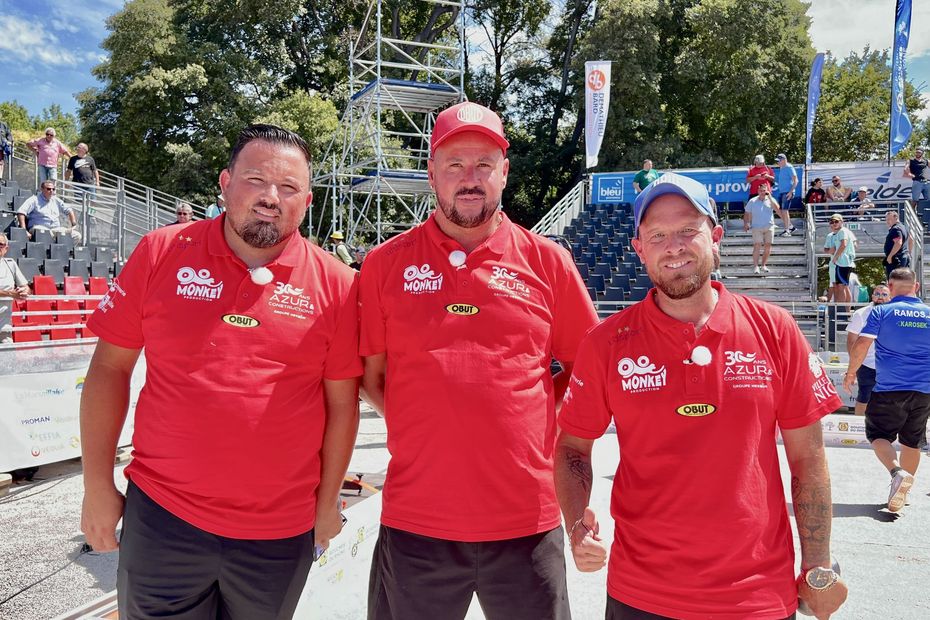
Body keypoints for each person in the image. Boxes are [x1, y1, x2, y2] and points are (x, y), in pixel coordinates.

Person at [79, 124, 362, 618]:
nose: (271, 198)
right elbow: (108, 369)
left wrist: (327, 501)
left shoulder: (338, 285)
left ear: (308, 201)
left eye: (289, 187)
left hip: (278, 532)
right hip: (164, 518)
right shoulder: (161, 252)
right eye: (255, 180)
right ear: (225, 182)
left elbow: (342, 404)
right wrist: (97, 485)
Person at [554, 171, 848, 620]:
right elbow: (573, 447)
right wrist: (577, 525)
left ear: (714, 236)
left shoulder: (776, 331)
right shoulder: (607, 343)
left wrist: (818, 565)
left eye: (687, 230)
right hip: (641, 594)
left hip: (756, 596)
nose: (673, 246)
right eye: (657, 235)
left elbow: (808, 460)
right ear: (639, 249)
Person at [358, 101, 598, 620]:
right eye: (455, 166)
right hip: (417, 518)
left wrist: (538, 411)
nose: (470, 179)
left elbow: (587, 365)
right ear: (432, 174)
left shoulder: (547, 261)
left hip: (525, 521)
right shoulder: (384, 264)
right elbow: (370, 374)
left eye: (484, 165)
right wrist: (419, 417)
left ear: (504, 172)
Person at [844, 268, 930, 513]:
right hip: (924, 389)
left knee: (878, 436)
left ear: (890, 287)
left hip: (890, 387)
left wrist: (851, 373)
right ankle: (903, 491)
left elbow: (862, 344)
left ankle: (897, 472)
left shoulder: (882, 311)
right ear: (917, 287)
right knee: (912, 441)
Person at [846, 285, 892, 416]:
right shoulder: (861, 314)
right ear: (872, 296)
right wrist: (854, 365)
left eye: (884, 294)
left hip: (890, 365)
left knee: (891, 399)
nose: (880, 297)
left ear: (890, 297)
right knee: (864, 397)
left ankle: (887, 429)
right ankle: (860, 427)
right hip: (866, 363)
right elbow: (851, 341)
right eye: (877, 294)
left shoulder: (895, 314)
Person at [16, 180, 82, 242]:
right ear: (42, 189)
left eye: (53, 189)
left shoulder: (56, 200)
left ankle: (64, 252)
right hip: (39, 228)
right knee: (45, 232)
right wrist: (24, 231)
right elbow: (21, 212)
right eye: (48, 189)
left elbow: (69, 210)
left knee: (76, 235)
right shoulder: (34, 199)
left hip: (55, 229)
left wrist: (73, 224)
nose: (51, 191)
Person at [0, 232, 30, 344]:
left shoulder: (10, 264)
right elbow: (12, 294)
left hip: (4, 326)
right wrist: (11, 294)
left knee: (7, 357)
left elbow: (26, 287)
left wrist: (24, 291)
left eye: (1, 244)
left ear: (6, 248)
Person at [743, 181, 777, 274]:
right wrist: (746, 223)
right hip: (756, 227)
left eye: (764, 190)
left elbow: (777, 208)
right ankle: (755, 266)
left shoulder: (771, 199)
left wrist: (769, 197)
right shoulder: (752, 201)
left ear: (767, 191)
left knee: (768, 246)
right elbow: (746, 213)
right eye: (761, 190)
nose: (763, 192)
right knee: (757, 245)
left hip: (769, 226)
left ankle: (763, 265)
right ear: (758, 191)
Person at [824, 213, 855, 306]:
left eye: (836, 221)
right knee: (838, 286)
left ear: (842, 222)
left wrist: (836, 257)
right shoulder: (833, 234)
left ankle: (842, 312)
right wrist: (831, 252)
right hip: (839, 263)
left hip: (842, 263)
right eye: (832, 222)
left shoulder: (843, 231)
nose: (834, 223)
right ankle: (841, 311)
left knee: (841, 287)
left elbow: (844, 244)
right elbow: (826, 249)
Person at [774, 153, 798, 236]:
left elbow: (796, 180)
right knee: (781, 211)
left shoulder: (789, 167)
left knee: (784, 211)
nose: (778, 163)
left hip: (787, 192)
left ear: (784, 160)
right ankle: (791, 227)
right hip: (782, 192)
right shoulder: (782, 168)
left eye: (779, 161)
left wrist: (791, 192)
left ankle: (787, 230)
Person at [883, 210, 910, 279]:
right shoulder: (903, 227)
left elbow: (898, 243)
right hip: (903, 257)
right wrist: (907, 252)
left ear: (896, 218)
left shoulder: (896, 229)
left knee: (895, 281)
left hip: (896, 259)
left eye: (889, 219)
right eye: (886, 219)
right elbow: (911, 240)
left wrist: (890, 256)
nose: (887, 221)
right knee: (902, 280)